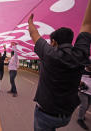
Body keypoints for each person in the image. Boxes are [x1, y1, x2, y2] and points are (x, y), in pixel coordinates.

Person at [28, 0, 91, 130]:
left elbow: (34, 33)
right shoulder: (80, 54)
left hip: (45, 115)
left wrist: (30, 22)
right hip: (66, 117)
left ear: (54, 42)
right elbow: (87, 24)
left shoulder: (49, 53)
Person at [77, 65, 91, 130]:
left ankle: (82, 115)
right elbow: (75, 79)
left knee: (87, 105)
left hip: (90, 92)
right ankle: (80, 119)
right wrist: (81, 83)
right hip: (83, 91)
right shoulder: (81, 70)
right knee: (84, 105)